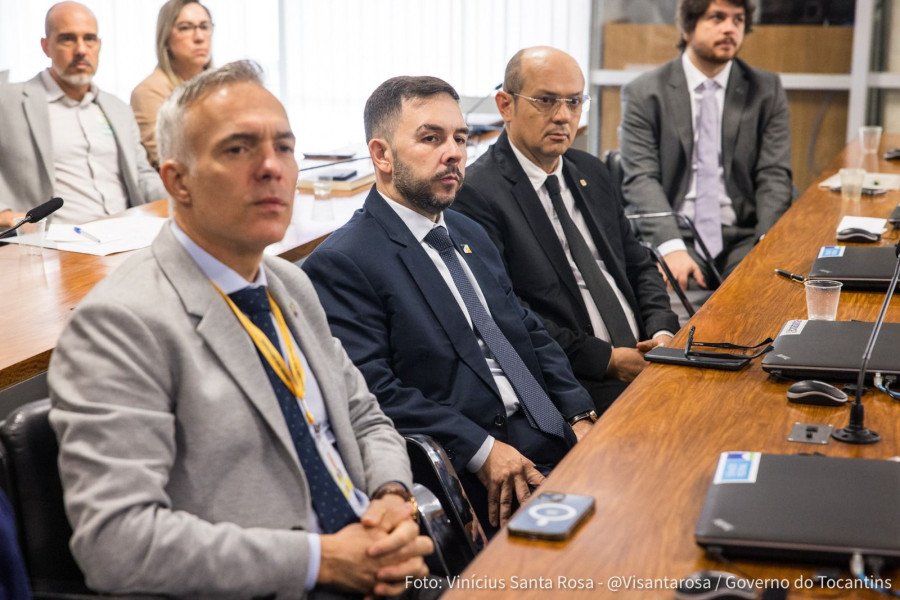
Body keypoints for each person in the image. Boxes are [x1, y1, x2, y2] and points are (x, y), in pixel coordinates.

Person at [48, 61, 432, 599]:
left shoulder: (290, 285)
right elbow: (118, 544)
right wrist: (321, 561)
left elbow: (365, 417)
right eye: (238, 149)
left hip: (373, 559)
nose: (272, 167)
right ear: (176, 179)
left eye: (285, 146)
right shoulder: (121, 324)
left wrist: (392, 495)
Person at [302, 76, 596, 535]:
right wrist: (482, 449)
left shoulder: (467, 231)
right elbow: (374, 390)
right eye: (431, 138)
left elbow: (526, 329)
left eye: (460, 138)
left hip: (551, 429)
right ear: (381, 154)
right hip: (472, 465)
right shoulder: (344, 261)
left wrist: (580, 413)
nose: (455, 153)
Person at [454, 47, 679, 414]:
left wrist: (662, 332)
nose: (562, 116)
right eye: (545, 101)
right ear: (505, 105)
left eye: (574, 102)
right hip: (577, 382)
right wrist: (607, 359)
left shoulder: (589, 170)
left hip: (650, 358)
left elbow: (638, 263)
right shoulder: (477, 194)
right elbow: (506, 312)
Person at [620, 0, 792, 290]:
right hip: (678, 231)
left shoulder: (766, 89)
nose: (729, 28)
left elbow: (774, 174)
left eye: (738, 20)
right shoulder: (644, 92)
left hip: (744, 234)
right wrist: (671, 245)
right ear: (688, 28)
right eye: (717, 18)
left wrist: (767, 241)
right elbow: (641, 178)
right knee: (674, 307)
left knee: (761, 297)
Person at [0, 1, 165, 227]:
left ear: (99, 45)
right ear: (46, 46)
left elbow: (142, 175)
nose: (80, 50)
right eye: (67, 38)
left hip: (128, 234)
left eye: (89, 39)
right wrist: (8, 217)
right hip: (56, 247)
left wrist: (184, 198)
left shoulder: (117, 108)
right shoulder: (8, 101)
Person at [131, 0, 213, 169]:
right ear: (166, 38)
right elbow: (166, 155)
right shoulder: (149, 92)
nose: (199, 37)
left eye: (204, 26)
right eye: (185, 28)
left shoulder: (224, 87)